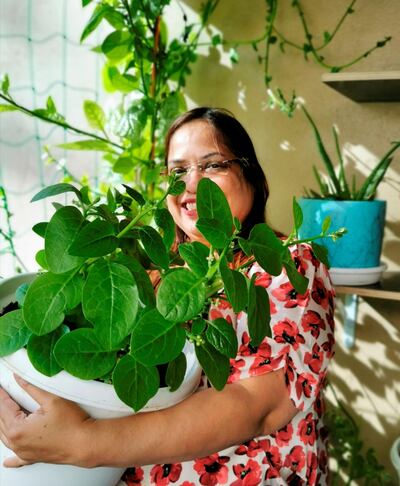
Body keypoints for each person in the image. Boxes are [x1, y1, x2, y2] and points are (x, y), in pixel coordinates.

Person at [0, 107, 335, 485]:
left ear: (252, 178)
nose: (191, 185)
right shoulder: (159, 277)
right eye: (178, 172)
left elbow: (254, 405)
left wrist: (84, 442)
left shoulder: (286, 264)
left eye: (211, 166)